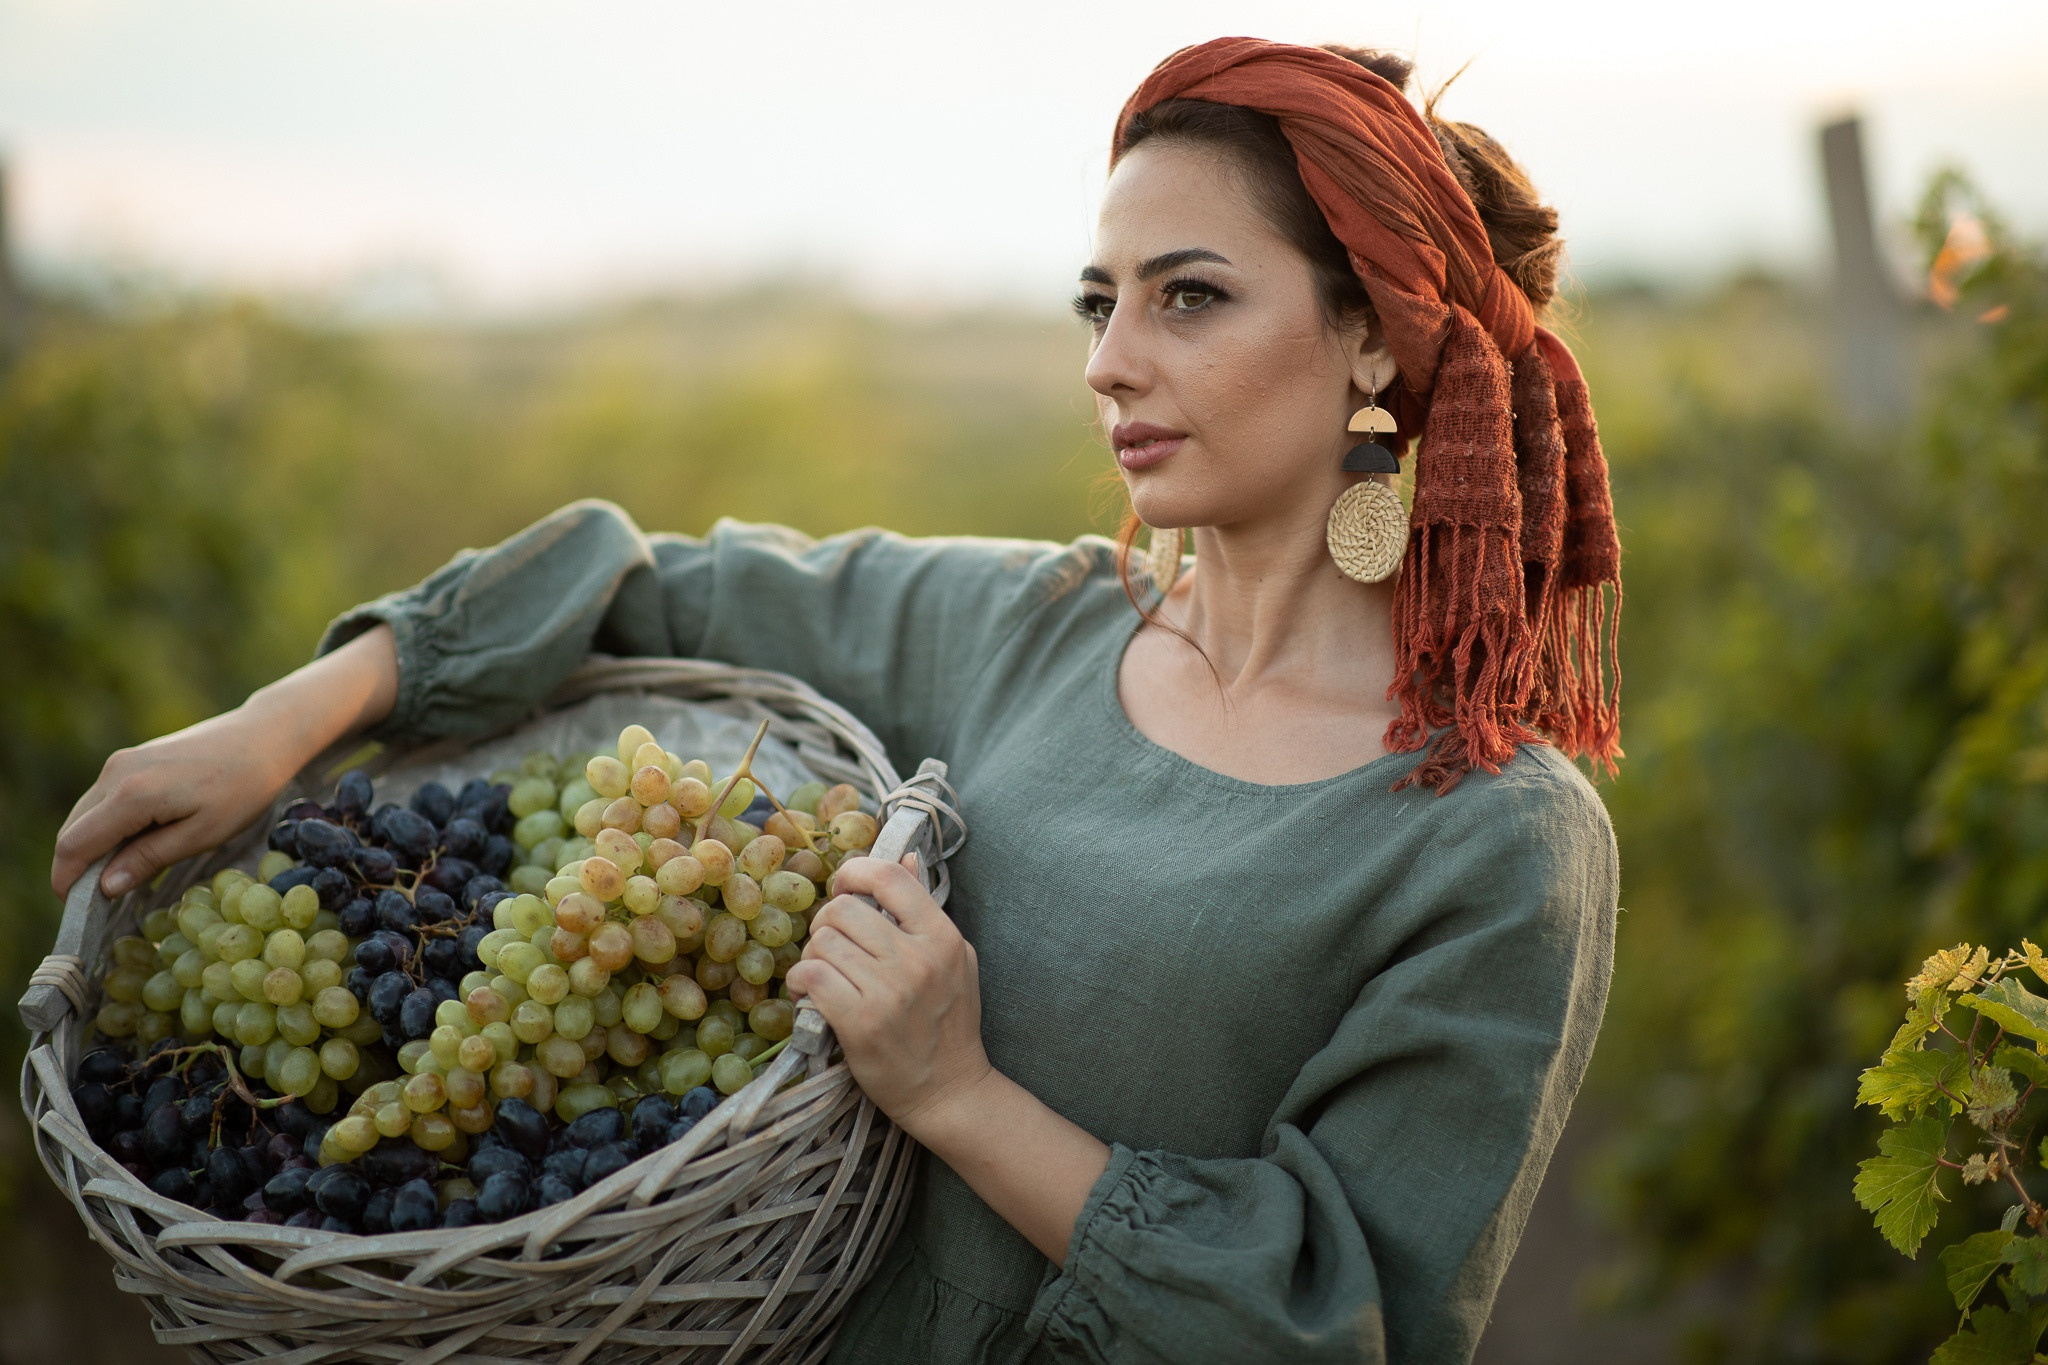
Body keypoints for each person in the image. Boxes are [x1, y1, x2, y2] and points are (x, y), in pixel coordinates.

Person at [53, 38, 1622, 1365]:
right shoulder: (1036, 625)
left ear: (1371, 338)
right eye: (1100, 302)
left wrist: (956, 1091)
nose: (1111, 363)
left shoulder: (1493, 837)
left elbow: (1341, 1317)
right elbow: (648, 579)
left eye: (1189, 298)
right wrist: (287, 716)